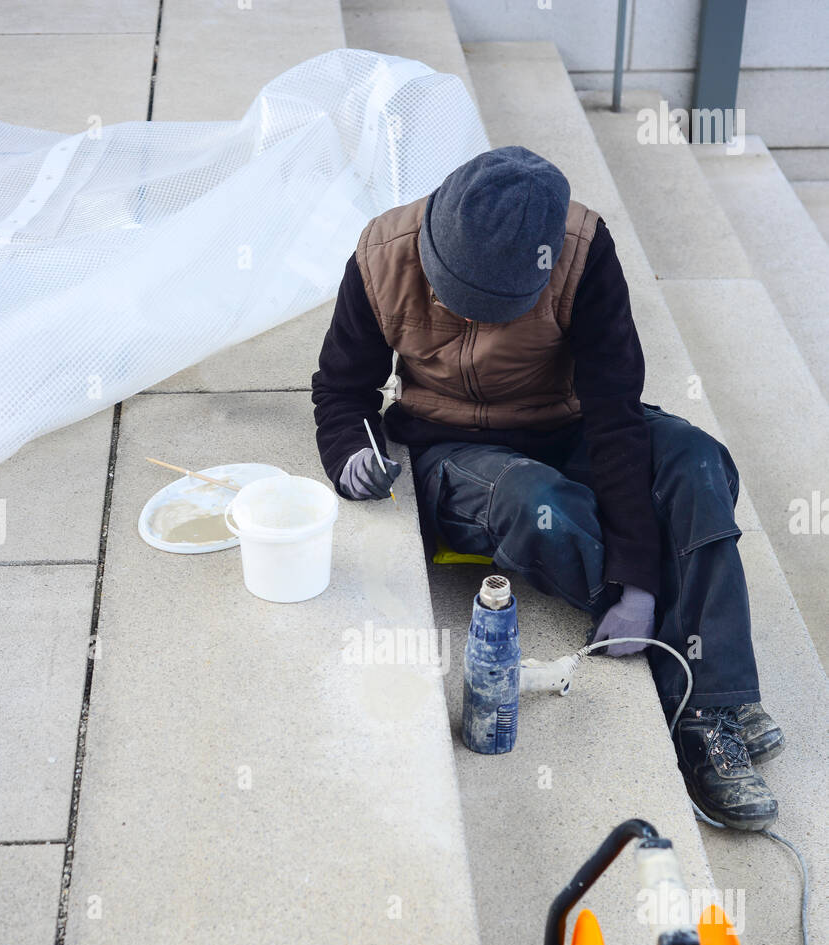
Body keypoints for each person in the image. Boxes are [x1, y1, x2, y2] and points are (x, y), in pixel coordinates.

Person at [311, 145, 783, 830]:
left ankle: (707, 695)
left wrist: (641, 587)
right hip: (453, 449)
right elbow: (340, 390)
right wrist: (350, 451)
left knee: (695, 460)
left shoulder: (580, 252)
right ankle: (708, 691)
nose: (465, 314)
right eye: (453, 295)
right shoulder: (381, 254)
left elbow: (615, 414)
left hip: (567, 425)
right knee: (535, 503)